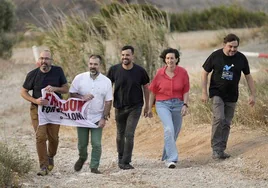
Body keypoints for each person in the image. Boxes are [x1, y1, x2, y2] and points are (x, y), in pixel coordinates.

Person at [201, 33, 256, 160]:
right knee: (219, 118)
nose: (232, 50)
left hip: (232, 95)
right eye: (230, 46)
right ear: (224, 45)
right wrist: (204, 92)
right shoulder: (215, 56)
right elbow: (204, 72)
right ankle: (215, 148)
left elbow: (248, 76)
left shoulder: (241, 58)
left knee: (226, 122)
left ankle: (221, 150)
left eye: (235, 47)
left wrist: (253, 94)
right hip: (217, 92)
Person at [21, 49, 69, 176]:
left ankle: (50, 155)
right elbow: (23, 92)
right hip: (37, 110)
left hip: (54, 110)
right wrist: (35, 100)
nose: (44, 61)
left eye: (47, 59)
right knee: (41, 136)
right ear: (39, 61)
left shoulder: (58, 71)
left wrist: (55, 89)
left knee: (54, 138)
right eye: (42, 58)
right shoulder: (32, 74)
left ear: (51, 61)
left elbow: (65, 89)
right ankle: (43, 166)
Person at [107, 45, 150, 170]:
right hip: (119, 107)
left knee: (129, 134)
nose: (125, 57)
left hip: (135, 107)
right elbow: (106, 87)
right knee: (120, 134)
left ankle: (126, 161)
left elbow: (146, 88)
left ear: (133, 56)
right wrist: (106, 106)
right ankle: (121, 157)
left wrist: (147, 106)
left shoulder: (140, 71)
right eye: (123, 55)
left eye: (127, 55)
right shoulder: (114, 70)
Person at [70, 55, 113, 174]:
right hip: (82, 117)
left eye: (95, 64)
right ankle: (82, 157)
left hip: (97, 117)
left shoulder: (106, 81)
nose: (92, 66)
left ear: (100, 65)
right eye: (91, 64)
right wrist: (82, 97)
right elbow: (71, 94)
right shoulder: (79, 78)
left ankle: (94, 166)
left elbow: (108, 101)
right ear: (88, 64)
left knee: (96, 143)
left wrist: (104, 118)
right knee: (82, 144)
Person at [148, 48, 190, 168]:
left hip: (178, 104)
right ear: (164, 60)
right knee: (169, 129)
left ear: (177, 59)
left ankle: (166, 155)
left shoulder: (183, 72)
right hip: (162, 104)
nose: (170, 60)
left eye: (172, 58)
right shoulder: (159, 73)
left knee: (175, 132)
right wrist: (149, 107)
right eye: (167, 58)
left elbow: (186, 90)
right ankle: (171, 159)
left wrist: (185, 105)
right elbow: (152, 92)